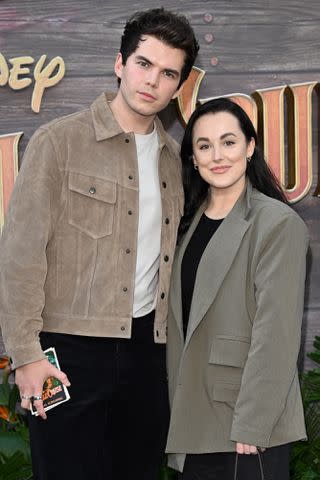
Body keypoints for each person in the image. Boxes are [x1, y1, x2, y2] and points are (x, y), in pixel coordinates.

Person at [0, 8, 199, 480]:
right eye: (144, 63)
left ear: (180, 87)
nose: (153, 80)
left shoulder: (177, 164)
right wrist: (26, 356)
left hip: (148, 355)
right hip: (68, 353)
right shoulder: (58, 143)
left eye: (168, 72)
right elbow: (20, 257)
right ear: (119, 63)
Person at [165, 98, 309, 480]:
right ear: (193, 158)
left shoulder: (277, 224)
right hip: (192, 424)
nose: (217, 156)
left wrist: (253, 422)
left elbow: (276, 333)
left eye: (229, 142)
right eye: (204, 145)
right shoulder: (184, 224)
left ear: (249, 147)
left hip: (244, 429)